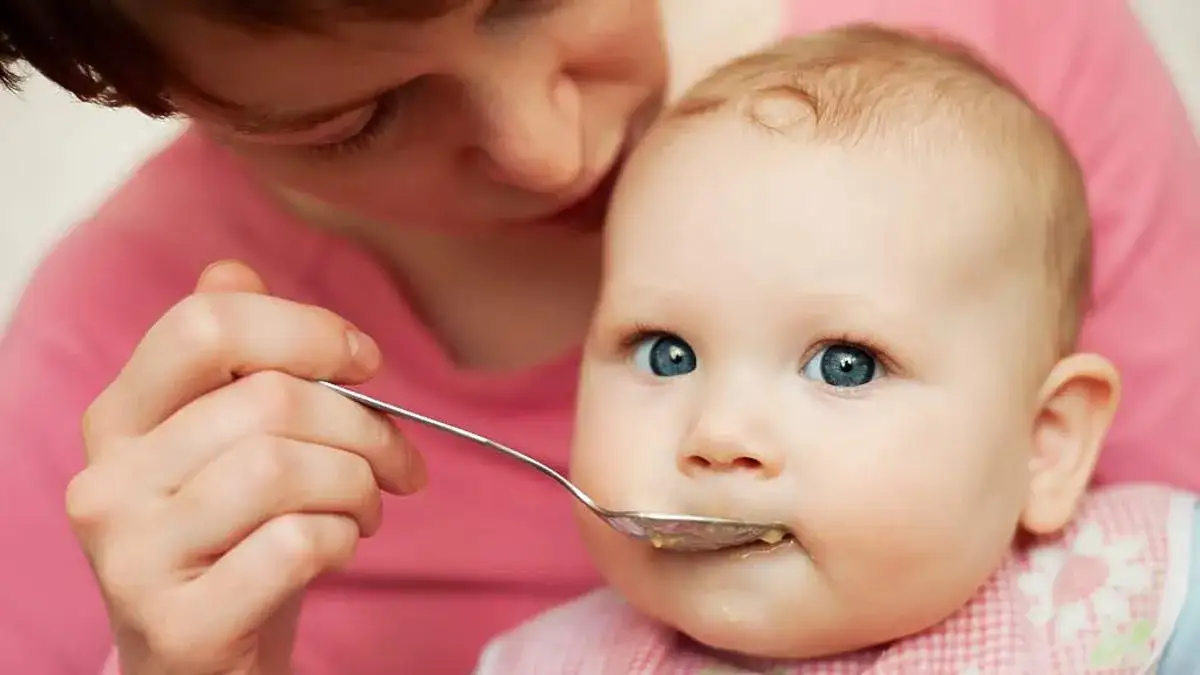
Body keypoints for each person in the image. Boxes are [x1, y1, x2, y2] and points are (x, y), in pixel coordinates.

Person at [0, 0, 1197, 673]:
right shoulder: (96, 367)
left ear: (1048, 442)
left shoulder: (1142, 591)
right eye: (356, 121)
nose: (547, 152)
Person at [478, 25, 1200, 673]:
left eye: (843, 366)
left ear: (1046, 443)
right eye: (667, 353)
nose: (719, 435)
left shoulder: (1133, 588)